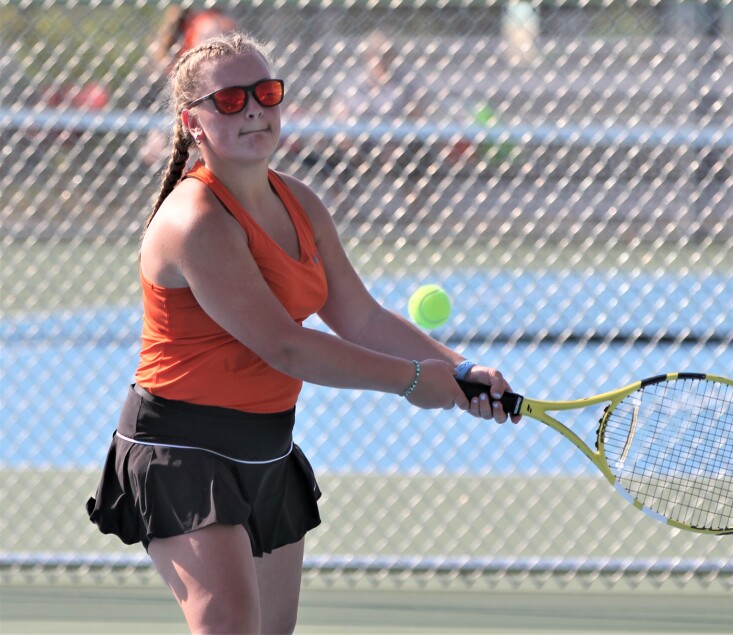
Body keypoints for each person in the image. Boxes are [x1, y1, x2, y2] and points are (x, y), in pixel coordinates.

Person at [86, 31, 519, 634]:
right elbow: (285, 345)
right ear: (193, 123)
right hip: (182, 448)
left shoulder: (302, 202)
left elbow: (360, 317)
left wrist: (461, 370)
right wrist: (415, 381)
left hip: (267, 444)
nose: (256, 109)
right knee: (231, 626)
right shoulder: (195, 222)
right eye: (231, 100)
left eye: (265, 93)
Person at [139, 6, 239, 165]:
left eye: (224, 37)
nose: (219, 45)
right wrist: (155, 135)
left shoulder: (237, 80)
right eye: (209, 38)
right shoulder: (172, 83)